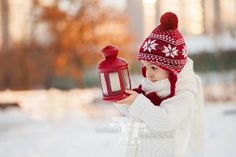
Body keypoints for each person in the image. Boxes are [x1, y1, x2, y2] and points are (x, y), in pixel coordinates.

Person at [113, 12, 205, 157]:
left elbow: (164, 120)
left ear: (172, 69)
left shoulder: (184, 96)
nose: (148, 74)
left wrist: (136, 101)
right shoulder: (150, 87)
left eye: (154, 68)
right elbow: (135, 111)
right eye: (145, 67)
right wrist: (122, 98)